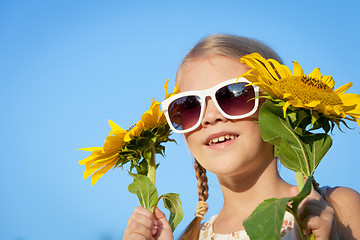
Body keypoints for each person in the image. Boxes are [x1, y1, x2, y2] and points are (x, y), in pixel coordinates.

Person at [123, 34, 360, 240]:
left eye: (232, 96)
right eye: (189, 106)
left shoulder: (338, 208)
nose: (209, 117)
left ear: (279, 109)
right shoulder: (193, 237)